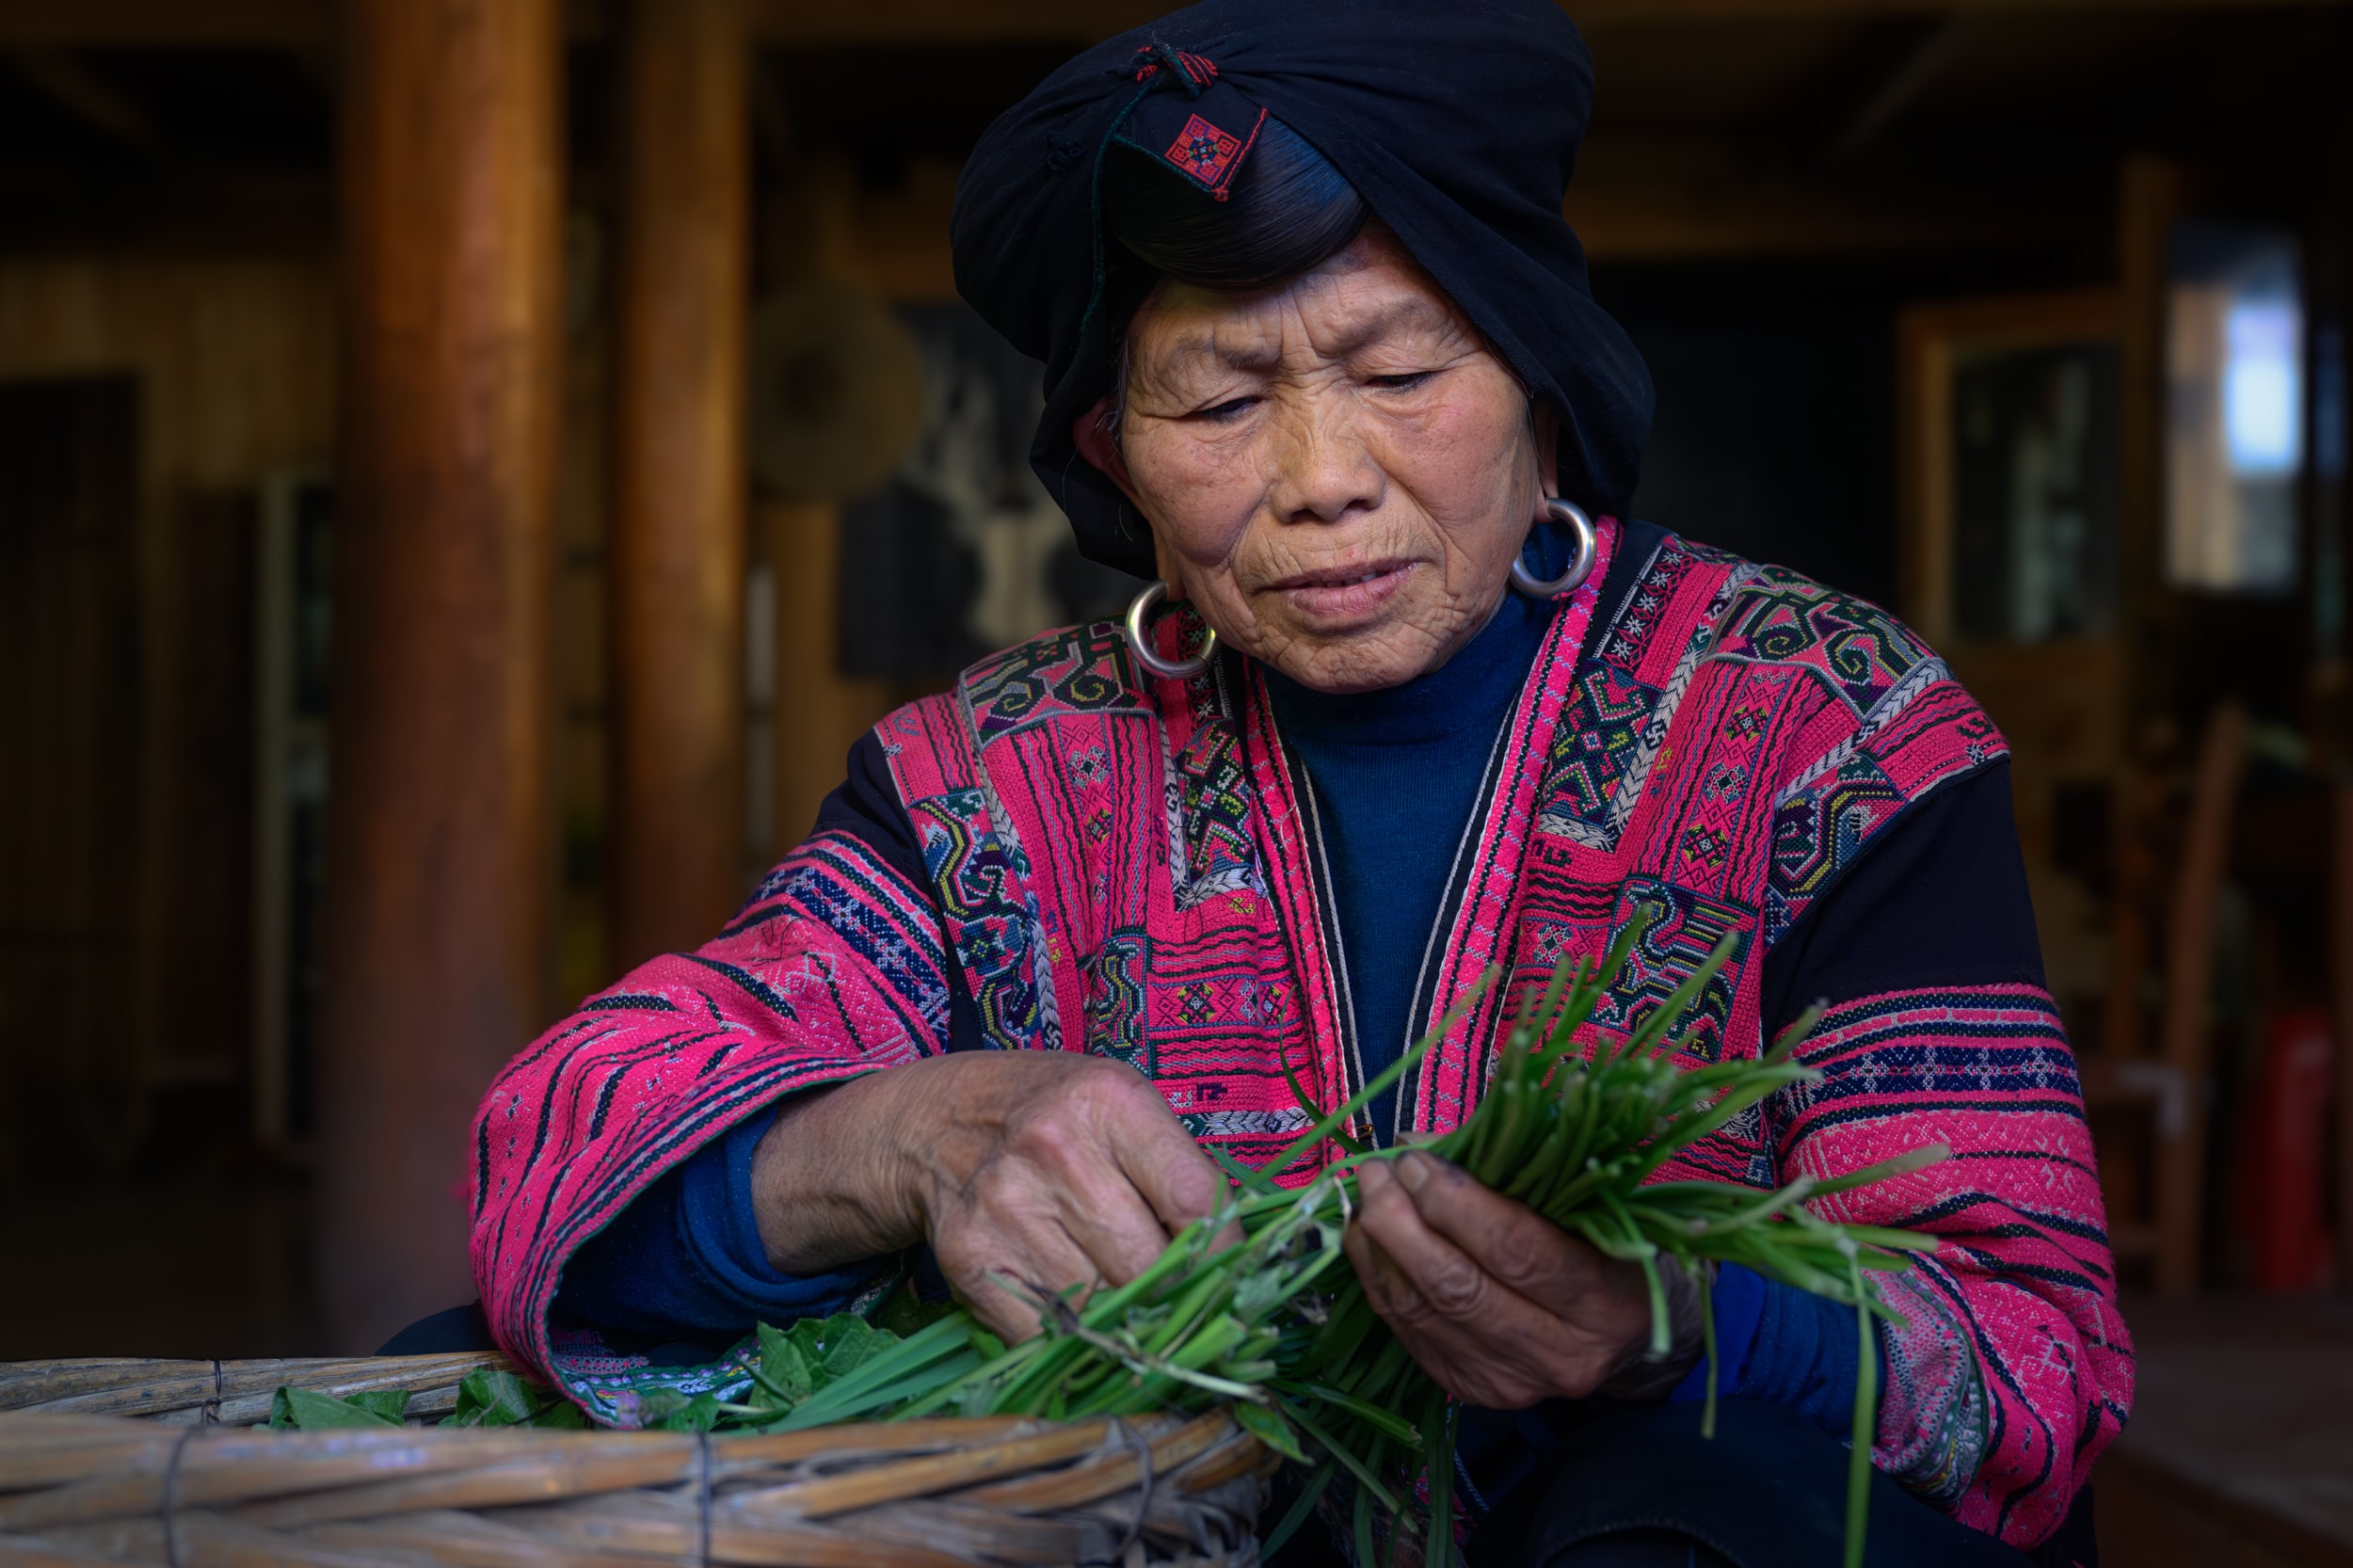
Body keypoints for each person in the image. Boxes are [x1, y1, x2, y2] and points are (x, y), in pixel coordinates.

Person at [463, 4, 2131, 1562]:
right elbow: (559, 1144)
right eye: (1219, 397)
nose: (1323, 479)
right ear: (1116, 457)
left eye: (1401, 376)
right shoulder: (991, 780)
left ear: (1538, 392)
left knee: (1701, 1486)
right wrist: (903, 1135)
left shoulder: (1823, 729)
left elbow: (2030, 1357)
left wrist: (1669, 1325)